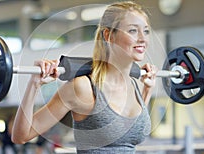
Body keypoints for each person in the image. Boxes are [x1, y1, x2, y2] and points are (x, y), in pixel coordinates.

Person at [12, 1, 157, 153]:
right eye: (133, 31)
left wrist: (147, 90)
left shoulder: (135, 85)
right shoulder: (82, 88)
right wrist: (34, 84)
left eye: (146, 31)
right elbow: (21, 136)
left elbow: (127, 131)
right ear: (108, 35)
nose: (142, 38)